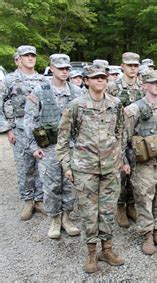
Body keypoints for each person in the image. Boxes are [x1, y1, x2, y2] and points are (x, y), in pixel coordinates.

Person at [56, 64, 124, 273]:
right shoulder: (76, 105)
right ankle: (91, 253)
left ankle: (108, 249)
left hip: (110, 168)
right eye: (95, 78)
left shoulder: (115, 104)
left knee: (107, 211)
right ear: (86, 81)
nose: (100, 81)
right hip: (84, 169)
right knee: (88, 213)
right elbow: (63, 139)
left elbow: (120, 133)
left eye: (103, 77)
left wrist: (119, 158)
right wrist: (67, 166)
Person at [24, 54, 82, 239]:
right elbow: (29, 120)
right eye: (61, 68)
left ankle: (67, 218)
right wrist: (34, 146)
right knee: (51, 185)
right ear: (52, 68)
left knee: (70, 184)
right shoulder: (40, 90)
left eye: (67, 68)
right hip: (49, 147)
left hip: (72, 147)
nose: (65, 71)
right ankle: (55, 220)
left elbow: (84, 120)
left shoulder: (77, 91)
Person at [122, 70, 157, 255]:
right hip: (144, 164)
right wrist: (124, 161)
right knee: (144, 198)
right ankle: (147, 234)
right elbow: (123, 138)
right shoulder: (133, 110)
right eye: (153, 82)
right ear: (144, 85)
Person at [0, 45, 46, 220]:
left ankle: (39, 199)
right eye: (26, 56)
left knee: (41, 163)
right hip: (19, 129)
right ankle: (28, 201)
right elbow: (1, 104)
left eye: (32, 55)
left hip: (38, 129)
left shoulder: (42, 80)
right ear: (17, 59)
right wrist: (8, 129)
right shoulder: (10, 80)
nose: (30, 58)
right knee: (24, 166)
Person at [107, 52, 142, 228]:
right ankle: (120, 207)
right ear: (122, 66)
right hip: (118, 136)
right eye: (130, 65)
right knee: (120, 174)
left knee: (135, 173)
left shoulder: (143, 85)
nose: (133, 68)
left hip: (137, 137)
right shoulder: (113, 86)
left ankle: (131, 204)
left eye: (136, 65)